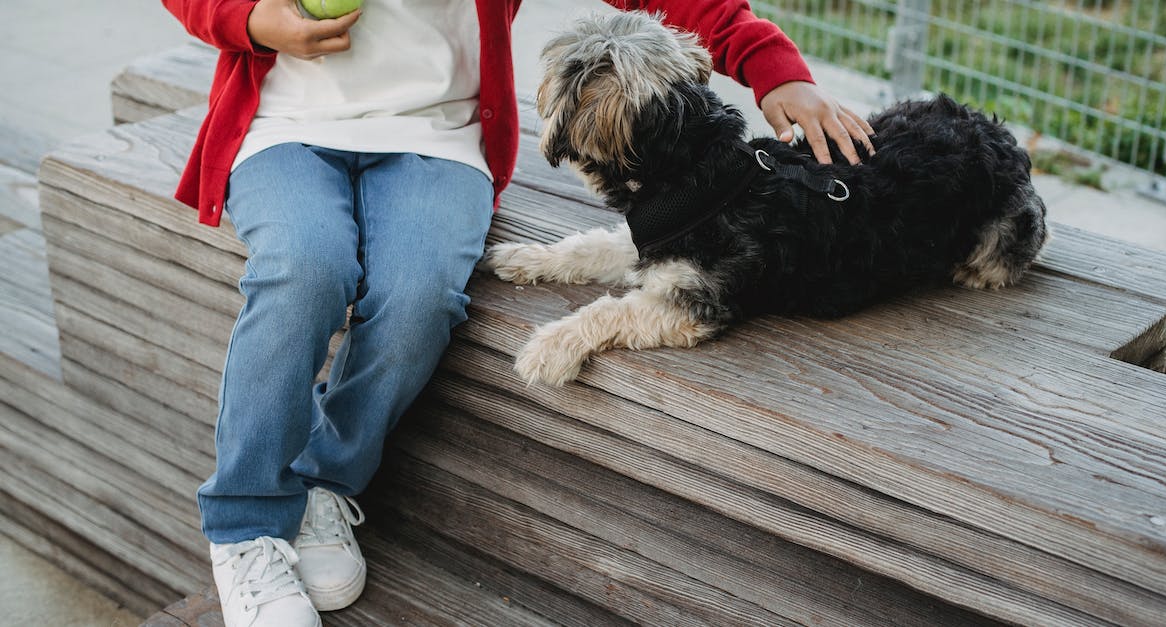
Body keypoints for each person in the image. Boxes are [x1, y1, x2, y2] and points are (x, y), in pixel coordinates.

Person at [161, 1, 876, 625]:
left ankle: (325, 481)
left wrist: (772, 65)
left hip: (435, 136)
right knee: (305, 269)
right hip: (283, 124)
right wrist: (250, 18)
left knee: (419, 296)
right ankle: (247, 524)